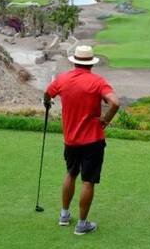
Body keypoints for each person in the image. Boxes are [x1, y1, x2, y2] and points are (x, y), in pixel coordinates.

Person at [44, 45, 120, 236]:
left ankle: (64, 215)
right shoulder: (97, 82)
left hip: (70, 140)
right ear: (91, 63)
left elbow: (47, 94)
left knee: (70, 173)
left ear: (75, 61)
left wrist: (47, 102)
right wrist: (106, 120)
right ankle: (82, 224)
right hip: (92, 140)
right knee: (88, 181)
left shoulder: (62, 79)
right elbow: (115, 103)